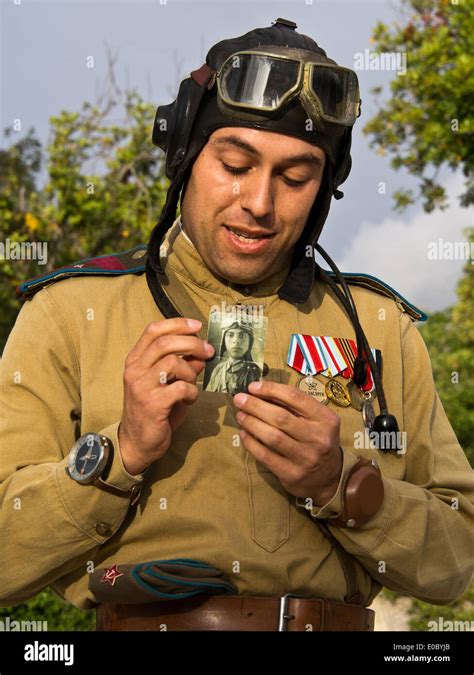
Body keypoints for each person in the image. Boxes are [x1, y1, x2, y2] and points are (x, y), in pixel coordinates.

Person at [0, 18, 473, 632]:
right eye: (234, 164)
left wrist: (343, 487)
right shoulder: (69, 313)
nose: (259, 202)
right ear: (186, 158)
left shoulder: (378, 326)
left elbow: (455, 562)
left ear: (324, 189)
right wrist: (121, 454)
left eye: (296, 177)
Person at [205, 319, 262, 395]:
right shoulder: (218, 369)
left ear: (250, 342)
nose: (236, 341)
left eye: (242, 336)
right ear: (224, 341)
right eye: (230, 335)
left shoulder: (254, 372)